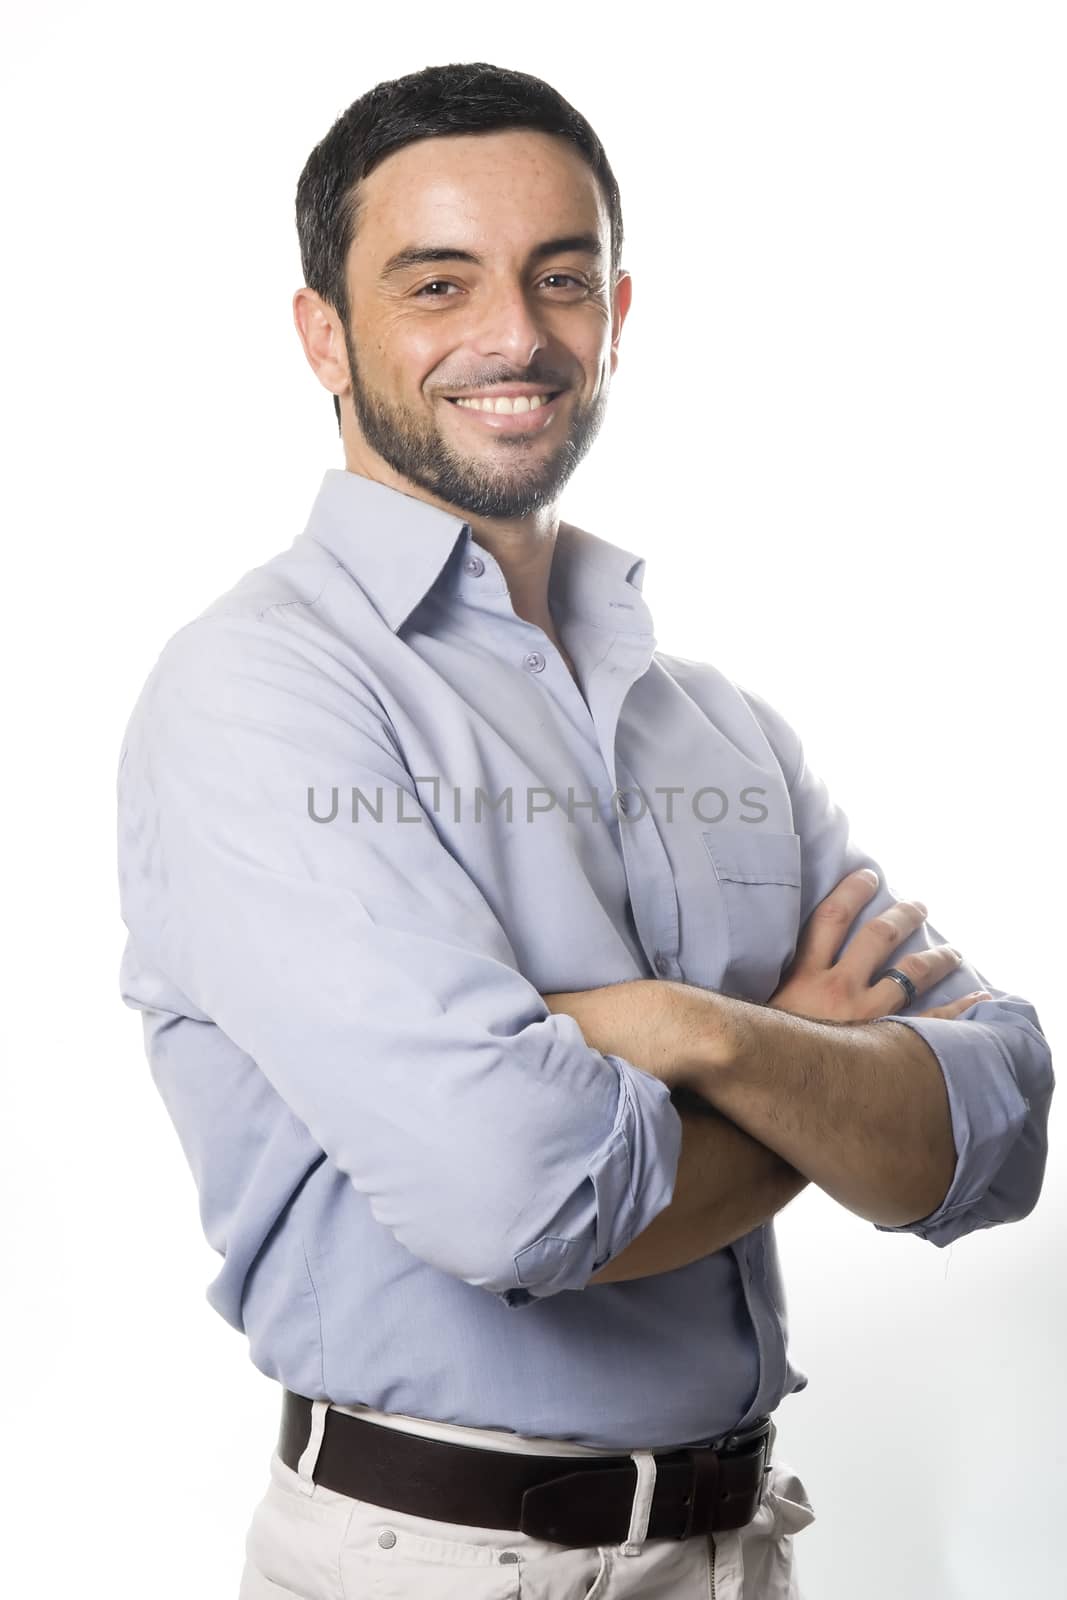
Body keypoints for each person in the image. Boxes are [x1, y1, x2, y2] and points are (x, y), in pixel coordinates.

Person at [114, 60, 1054, 1600]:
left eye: (564, 277)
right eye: (439, 282)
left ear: (618, 314)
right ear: (324, 337)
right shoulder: (259, 695)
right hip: (434, 1564)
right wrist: (820, 1074)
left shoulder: (719, 723)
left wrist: (694, 1032)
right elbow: (516, 1198)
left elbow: (995, 1127)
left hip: (747, 1550)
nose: (516, 334)